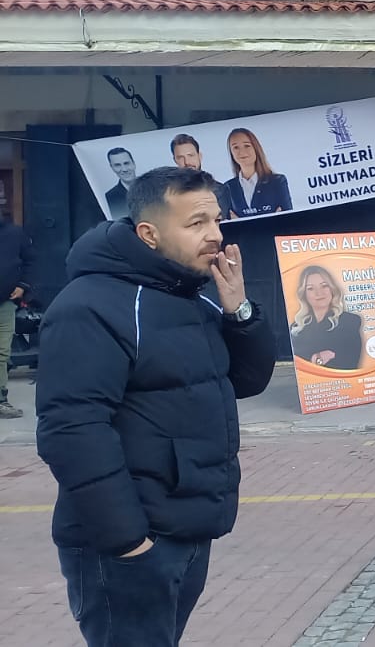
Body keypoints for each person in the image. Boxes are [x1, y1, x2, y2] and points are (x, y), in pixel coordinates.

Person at [35, 166, 275, 646]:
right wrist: (129, 541)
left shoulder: (188, 295)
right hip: (128, 543)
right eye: (196, 224)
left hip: (184, 528)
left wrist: (239, 309)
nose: (215, 235)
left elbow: (248, 380)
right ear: (148, 233)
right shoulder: (90, 306)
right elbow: (72, 428)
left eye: (216, 220)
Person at [289, 264, 364, 371]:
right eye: (310, 288)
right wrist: (317, 357)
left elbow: (351, 360)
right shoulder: (297, 327)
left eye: (324, 286)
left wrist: (324, 357)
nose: (319, 293)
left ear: (332, 289)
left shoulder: (350, 321)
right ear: (304, 294)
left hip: (344, 383)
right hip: (312, 384)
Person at [0, 210, 34, 418]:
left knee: (2, 353)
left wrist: (23, 285)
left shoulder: (15, 234)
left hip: (4, 303)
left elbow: (30, 261)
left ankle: (1, 400)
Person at [222, 128, 293, 217]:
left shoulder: (277, 181)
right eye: (235, 147)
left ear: (256, 148)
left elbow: (287, 218)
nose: (242, 152)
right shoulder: (228, 188)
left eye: (247, 146)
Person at [170, 134, 234, 220]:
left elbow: (218, 222)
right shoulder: (170, 193)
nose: (187, 162)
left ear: (199, 156)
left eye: (190, 155)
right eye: (181, 158)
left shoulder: (219, 190)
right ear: (175, 160)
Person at [104, 147, 138, 218]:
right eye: (117, 165)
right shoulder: (109, 197)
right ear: (112, 168)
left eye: (126, 163)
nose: (124, 169)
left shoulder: (152, 188)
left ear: (133, 164)